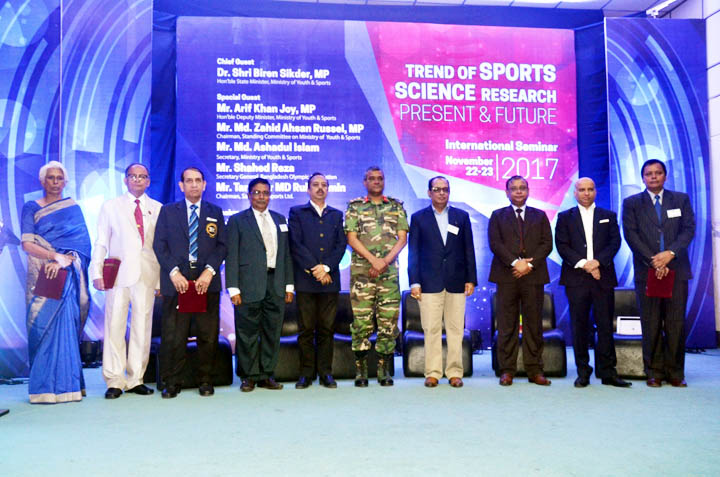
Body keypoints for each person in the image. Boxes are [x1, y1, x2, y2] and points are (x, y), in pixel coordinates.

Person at [21, 161, 92, 403]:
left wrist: (64, 261)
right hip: (41, 274)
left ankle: (68, 387)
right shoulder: (31, 207)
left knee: (65, 330)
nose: (54, 182)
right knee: (41, 327)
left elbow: (83, 246)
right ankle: (42, 390)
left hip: (66, 276)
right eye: (50, 178)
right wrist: (53, 256)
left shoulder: (73, 208)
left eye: (59, 178)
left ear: (65, 182)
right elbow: (27, 243)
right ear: (42, 181)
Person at [152, 167, 227, 398]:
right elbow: (159, 245)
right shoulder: (167, 212)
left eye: (198, 180)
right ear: (181, 185)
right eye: (189, 181)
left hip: (206, 283)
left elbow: (222, 246)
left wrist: (209, 272)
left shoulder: (215, 211)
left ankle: (205, 380)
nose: (194, 185)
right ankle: (172, 381)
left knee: (208, 335)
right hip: (178, 284)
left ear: (204, 184)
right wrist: (174, 273)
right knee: (175, 336)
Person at [90, 163, 162, 399]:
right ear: (125, 180)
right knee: (114, 326)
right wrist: (97, 272)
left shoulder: (158, 208)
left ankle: (135, 379)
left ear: (148, 181)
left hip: (147, 275)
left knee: (143, 327)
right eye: (133, 176)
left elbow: (161, 248)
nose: (138, 180)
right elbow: (101, 241)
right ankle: (114, 379)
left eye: (143, 177)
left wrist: (161, 281)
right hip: (118, 275)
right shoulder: (111, 207)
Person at [622, 159, 695, 387]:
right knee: (651, 322)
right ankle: (653, 371)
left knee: (675, 323)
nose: (653, 177)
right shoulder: (632, 203)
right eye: (648, 174)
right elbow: (631, 235)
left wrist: (670, 254)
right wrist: (655, 260)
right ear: (642, 177)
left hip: (677, 270)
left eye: (658, 173)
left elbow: (689, 229)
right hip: (648, 270)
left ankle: (675, 372)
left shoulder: (680, 199)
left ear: (665, 175)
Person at [555, 177, 630, 388]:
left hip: (603, 278)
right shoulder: (564, 217)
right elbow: (562, 245)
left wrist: (598, 262)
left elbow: (615, 242)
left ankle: (608, 372)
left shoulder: (608, 216)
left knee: (605, 325)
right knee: (579, 326)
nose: (586, 193)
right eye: (582, 190)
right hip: (576, 279)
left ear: (595, 191)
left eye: (590, 189)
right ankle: (583, 372)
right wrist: (585, 264)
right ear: (575, 193)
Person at [226, 178, 294, 392]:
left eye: (265, 192)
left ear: (270, 195)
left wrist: (289, 285)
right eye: (257, 192)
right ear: (248, 195)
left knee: (272, 332)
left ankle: (266, 374)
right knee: (246, 333)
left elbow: (287, 255)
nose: (261, 196)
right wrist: (233, 288)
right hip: (248, 285)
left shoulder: (280, 219)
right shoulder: (237, 220)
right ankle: (248, 376)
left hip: (276, 283)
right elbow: (232, 256)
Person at [408, 176, 477, 388]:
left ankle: (455, 372)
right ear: (429, 193)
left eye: (445, 189)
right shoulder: (419, 218)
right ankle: (433, 372)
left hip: (457, 281)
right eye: (436, 189)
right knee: (431, 329)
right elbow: (414, 253)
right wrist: (414, 282)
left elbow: (468, 250)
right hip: (428, 283)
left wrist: (471, 279)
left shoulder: (461, 216)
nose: (441, 193)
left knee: (456, 329)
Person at [345, 166, 408, 387]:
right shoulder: (355, 207)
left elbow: (402, 239)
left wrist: (384, 262)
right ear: (365, 182)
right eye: (371, 178)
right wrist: (374, 260)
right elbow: (351, 238)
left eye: (380, 178)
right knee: (361, 324)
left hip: (388, 275)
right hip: (363, 274)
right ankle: (361, 372)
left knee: (388, 323)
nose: (376, 181)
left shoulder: (396, 206)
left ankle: (384, 371)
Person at [488, 175, 552, 386]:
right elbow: (495, 244)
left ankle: (535, 370)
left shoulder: (540, 215)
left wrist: (529, 265)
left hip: (533, 277)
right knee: (507, 325)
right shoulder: (497, 216)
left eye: (522, 188)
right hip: (507, 276)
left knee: (534, 325)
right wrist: (516, 263)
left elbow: (546, 244)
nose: (518, 191)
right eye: (513, 188)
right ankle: (507, 370)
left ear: (528, 190)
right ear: (507, 192)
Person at [288, 173, 347, 389]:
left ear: (328, 189)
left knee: (326, 329)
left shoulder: (336, 214)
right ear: (308, 189)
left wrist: (327, 268)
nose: (320, 188)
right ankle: (305, 374)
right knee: (305, 330)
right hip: (305, 281)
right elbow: (295, 244)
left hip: (329, 281)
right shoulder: (297, 213)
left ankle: (326, 373)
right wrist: (316, 270)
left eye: (324, 185)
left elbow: (341, 245)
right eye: (316, 185)